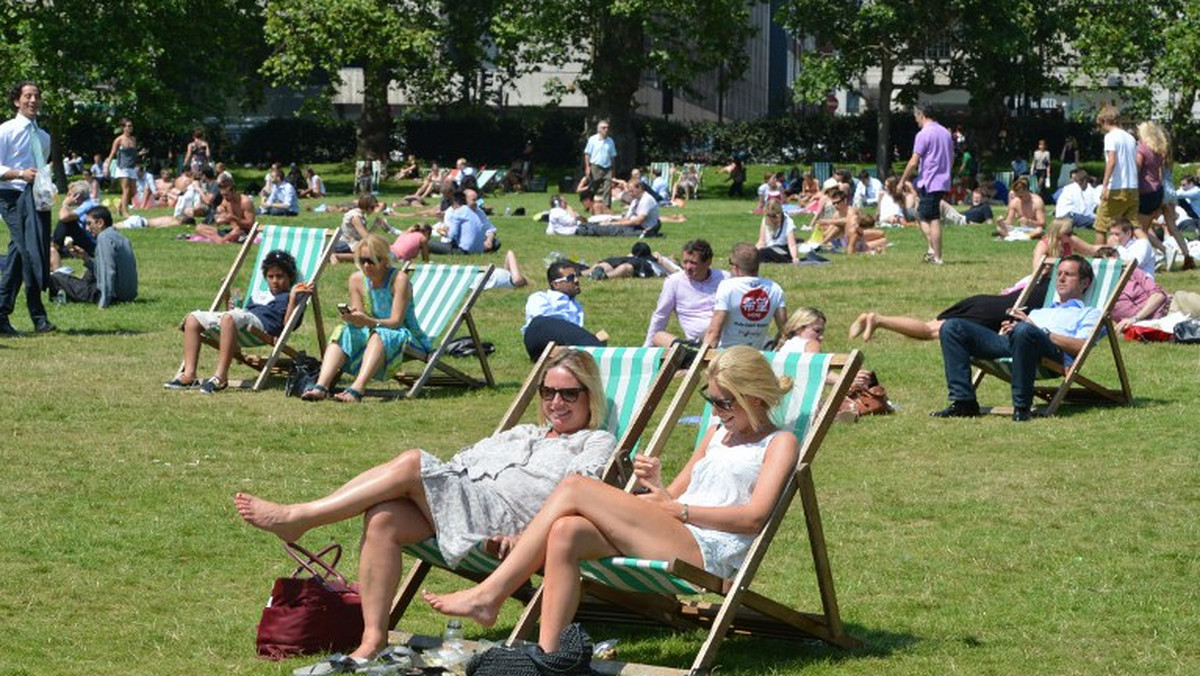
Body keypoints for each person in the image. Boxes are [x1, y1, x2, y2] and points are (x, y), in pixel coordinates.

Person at [235, 347, 617, 672]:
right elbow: (462, 460)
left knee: (413, 462)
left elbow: (582, 498)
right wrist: (437, 486)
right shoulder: (524, 433)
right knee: (385, 517)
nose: (555, 403)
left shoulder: (596, 442)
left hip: (505, 523)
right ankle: (371, 642)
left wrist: (527, 536)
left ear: (590, 396)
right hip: (464, 504)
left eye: (569, 394)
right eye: (548, 392)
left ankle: (300, 518)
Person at [423, 346, 799, 655]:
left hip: (710, 550)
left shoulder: (779, 443)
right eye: (711, 400)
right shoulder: (718, 434)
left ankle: (491, 594)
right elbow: (674, 497)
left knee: (575, 487)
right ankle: (550, 656)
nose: (715, 411)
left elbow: (753, 518)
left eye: (723, 403)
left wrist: (677, 509)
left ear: (753, 396)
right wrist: (658, 487)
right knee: (568, 531)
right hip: (676, 530)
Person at [931, 255, 1100, 422]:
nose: (1061, 279)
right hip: (1016, 342)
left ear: (1085, 283)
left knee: (1024, 330)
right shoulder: (1039, 311)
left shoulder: (1090, 313)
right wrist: (1010, 329)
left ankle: (1022, 407)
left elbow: (1081, 346)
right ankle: (964, 402)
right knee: (953, 327)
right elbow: (1024, 330)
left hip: (1050, 353)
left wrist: (1038, 330)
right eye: (1059, 273)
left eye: (1068, 275)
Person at [300, 235, 431, 403]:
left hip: (405, 335)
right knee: (343, 331)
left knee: (379, 334)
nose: (366, 265)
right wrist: (352, 317)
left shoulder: (399, 280)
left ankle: (357, 389)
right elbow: (360, 318)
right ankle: (321, 387)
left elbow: (396, 321)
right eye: (362, 260)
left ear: (384, 260)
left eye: (371, 260)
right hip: (374, 331)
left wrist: (368, 322)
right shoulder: (356, 280)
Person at [164, 249, 309, 394]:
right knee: (193, 319)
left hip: (262, 327)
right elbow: (240, 316)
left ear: (291, 277)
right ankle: (189, 375)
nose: (275, 281)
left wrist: (292, 298)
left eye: (280, 276)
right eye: (270, 276)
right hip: (242, 320)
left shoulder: (292, 296)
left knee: (229, 318)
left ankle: (220, 377)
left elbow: (288, 326)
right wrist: (229, 298)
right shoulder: (259, 295)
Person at [848, 275, 1052, 343]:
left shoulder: (1038, 279)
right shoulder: (1056, 296)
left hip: (984, 302)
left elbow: (1009, 290)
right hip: (993, 314)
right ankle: (879, 320)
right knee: (929, 331)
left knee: (930, 326)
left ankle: (874, 319)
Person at [0, 80, 54, 335]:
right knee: (28, 252)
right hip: (10, 196)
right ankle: (38, 316)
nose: (33, 100)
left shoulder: (43, 137)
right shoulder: (6, 131)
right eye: (27, 96)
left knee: (22, 252)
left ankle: (2, 312)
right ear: (16, 100)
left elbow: (42, 169)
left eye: (36, 96)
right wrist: (20, 173)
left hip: (35, 199)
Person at [47, 206, 137, 308]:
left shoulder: (104, 238)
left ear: (100, 223)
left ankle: (61, 296)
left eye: (89, 224)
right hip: (127, 294)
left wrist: (103, 303)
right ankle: (68, 293)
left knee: (56, 277)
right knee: (89, 272)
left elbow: (108, 272)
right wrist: (85, 257)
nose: (87, 228)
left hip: (109, 295)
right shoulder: (121, 238)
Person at [644, 239, 728, 349]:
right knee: (658, 337)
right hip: (694, 343)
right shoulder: (674, 282)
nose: (688, 267)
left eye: (693, 263)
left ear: (708, 262)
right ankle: (692, 352)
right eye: (685, 262)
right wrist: (646, 349)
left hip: (723, 340)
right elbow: (661, 315)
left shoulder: (725, 279)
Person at [899, 105, 954, 265]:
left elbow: (914, 161)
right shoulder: (945, 133)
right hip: (941, 180)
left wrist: (902, 180)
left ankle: (936, 254)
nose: (915, 119)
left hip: (930, 181)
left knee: (932, 218)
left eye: (916, 116)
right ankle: (932, 249)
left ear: (921, 115)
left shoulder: (923, 134)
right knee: (921, 213)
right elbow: (951, 158)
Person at [704, 242, 787, 349]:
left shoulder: (727, 286)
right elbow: (785, 330)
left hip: (727, 355)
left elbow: (714, 332)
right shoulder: (775, 289)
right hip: (755, 355)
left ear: (735, 267)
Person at [522, 259, 608, 360]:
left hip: (558, 342)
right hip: (539, 331)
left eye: (576, 276)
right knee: (589, 342)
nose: (576, 280)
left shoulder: (576, 306)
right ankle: (600, 353)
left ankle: (597, 353)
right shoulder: (540, 297)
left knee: (591, 341)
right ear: (556, 284)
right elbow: (541, 321)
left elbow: (570, 333)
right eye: (570, 278)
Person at [1094, 106, 1139, 246]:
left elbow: (1112, 161)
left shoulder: (1110, 137)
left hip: (1117, 188)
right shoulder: (1130, 138)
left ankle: (1099, 258)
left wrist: (1105, 185)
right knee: (1134, 226)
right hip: (1133, 188)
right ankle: (1149, 252)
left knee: (1101, 225)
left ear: (1105, 120)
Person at [576, 180, 660, 237]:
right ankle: (586, 227)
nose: (630, 194)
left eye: (632, 191)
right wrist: (613, 222)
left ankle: (586, 229)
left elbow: (638, 221)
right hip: (634, 226)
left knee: (611, 229)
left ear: (640, 188)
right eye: (629, 191)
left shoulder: (646, 199)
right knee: (607, 225)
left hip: (642, 229)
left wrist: (615, 224)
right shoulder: (635, 200)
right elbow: (627, 218)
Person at [50, 180, 100, 270]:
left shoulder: (88, 205)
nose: (68, 197)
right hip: (89, 240)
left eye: (70, 195)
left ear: (77, 196)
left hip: (93, 245)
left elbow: (63, 217)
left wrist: (65, 204)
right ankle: (55, 245)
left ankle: (55, 248)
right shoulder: (89, 204)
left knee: (67, 222)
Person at [193, 175, 253, 244]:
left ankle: (222, 240)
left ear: (233, 191)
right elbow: (221, 209)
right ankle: (220, 239)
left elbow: (251, 225)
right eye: (222, 195)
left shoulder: (245, 202)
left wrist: (234, 218)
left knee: (237, 231)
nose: (224, 197)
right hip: (230, 231)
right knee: (199, 227)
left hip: (243, 232)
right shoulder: (226, 200)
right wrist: (220, 213)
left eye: (226, 195)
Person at [429, 191, 486, 255]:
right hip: (479, 250)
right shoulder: (472, 212)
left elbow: (452, 235)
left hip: (464, 250)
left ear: (455, 203)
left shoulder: (458, 212)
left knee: (427, 243)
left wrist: (443, 232)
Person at [104, 118, 140, 218]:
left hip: (132, 167)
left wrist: (139, 155)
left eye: (131, 126)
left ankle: (120, 205)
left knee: (133, 191)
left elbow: (133, 154)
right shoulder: (119, 140)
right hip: (122, 167)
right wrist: (107, 167)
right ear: (123, 128)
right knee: (126, 190)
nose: (130, 128)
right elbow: (112, 154)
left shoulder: (133, 139)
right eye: (128, 126)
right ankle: (126, 212)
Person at [586, 241, 670, 280]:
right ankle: (605, 276)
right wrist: (661, 260)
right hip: (642, 263)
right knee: (627, 267)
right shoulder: (661, 261)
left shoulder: (657, 260)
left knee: (610, 263)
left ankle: (588, 272)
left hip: (630, 258)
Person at [332, 193, 379, 262]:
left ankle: (336, 256)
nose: (373, 210)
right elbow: (366, 237)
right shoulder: (355, 217)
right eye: (372, 207)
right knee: (368, 256)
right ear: (367, 207)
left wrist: (375, 225)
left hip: (350, 243)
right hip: (344, 244)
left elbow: (365, 237)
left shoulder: (359, 215)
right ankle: (337, 256)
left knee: (373, 253)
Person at [583, 120, 617, 208]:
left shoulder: (610, 141)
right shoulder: (592, 139)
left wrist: (613, 170)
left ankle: (606, 206)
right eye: (603, 128)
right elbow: (587, 154)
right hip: (595, 166)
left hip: (607, 167)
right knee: (593, 187)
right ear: (598, 129)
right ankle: (588, 204)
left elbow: (613, 156)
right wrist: (587, 167)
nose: (606, 129)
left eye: (607, 128)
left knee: (607, 188)